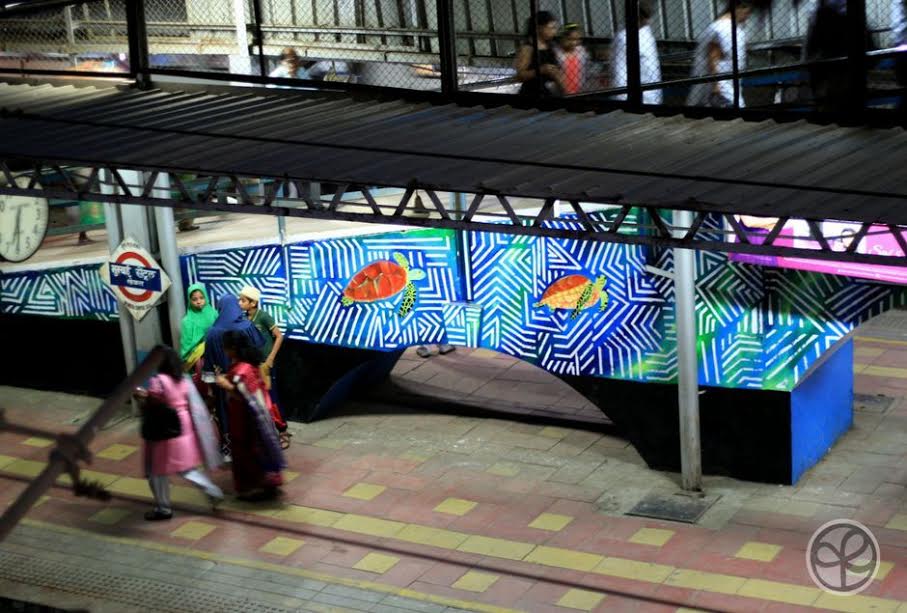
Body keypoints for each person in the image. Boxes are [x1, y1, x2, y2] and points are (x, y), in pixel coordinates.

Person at [141, 347, 224, 521]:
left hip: (165, 427)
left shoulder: (159, 380)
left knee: (157, 470)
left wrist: (140, 395)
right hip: (183, 424)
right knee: (185, 468)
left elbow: (153, 401)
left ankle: (163, 508)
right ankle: (211, 490)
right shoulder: (184, 379)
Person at [214, 330, 287, 501]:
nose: (225, 352)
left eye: (226, 348)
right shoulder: (249, 363)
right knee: (256, 449)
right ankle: (267, 483)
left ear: (233, 349)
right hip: (252, 417)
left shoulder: (242, 369)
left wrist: (226, 384)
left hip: (245, 418)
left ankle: (253, 488)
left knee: (246, 451)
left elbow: (246, 394)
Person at [202, 294, 267, 455]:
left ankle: (229, 449)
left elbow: (208, 363)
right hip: (248, 380)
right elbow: (259, 347)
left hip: (223, 383)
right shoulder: (246, 326)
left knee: (226, 413)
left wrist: (211, 387)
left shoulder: (212, 332)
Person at [238, 285, 290, 448]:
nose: (240, 303)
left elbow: (279, 336)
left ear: (253, 303)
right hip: (252, 366)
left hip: (265, 365)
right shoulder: (244, 319)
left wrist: (270, 358)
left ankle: (282, 430)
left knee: (272, 398)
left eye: (243, 300)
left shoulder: (263, 317)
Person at [686, 1, 754, 108]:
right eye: (747, 13)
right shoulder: (722, 28)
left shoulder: (733, 27)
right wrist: (716, 85)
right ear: (738, 9)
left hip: (729, 78)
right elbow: (713, 57)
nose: (748, 17)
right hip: (720, 80)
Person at [610, 1, 663, 104]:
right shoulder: (623, 38)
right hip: (637, 99)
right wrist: (624, 101)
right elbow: (619, 74)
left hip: (652, 95)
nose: (648, 21)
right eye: (645, 17)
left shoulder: (646, 32)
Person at [514, 11, 565, 97]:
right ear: (539, 28)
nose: (554, 32)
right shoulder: (528, 48)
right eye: (551, 28)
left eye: (555, 28)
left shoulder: (551, 45)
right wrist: (541, 70)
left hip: (549, 91)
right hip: (531, 94)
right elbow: (520, 76)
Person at [180, 283, 218, 378]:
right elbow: (186, 344)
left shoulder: (214, 314)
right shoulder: (187, 321)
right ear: (189, 301)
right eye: (194, 299)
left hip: (216, 355)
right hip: (198, 360)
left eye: (201, 298)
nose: (199, 301)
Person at [554, 24, 593, 95]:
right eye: (570, 39)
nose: (574, 43)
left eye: (577, 39)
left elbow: (587, 70)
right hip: (560, 91)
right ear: (562, 38)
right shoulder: (556, 53)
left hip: (580, 89)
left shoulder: (581, 51)